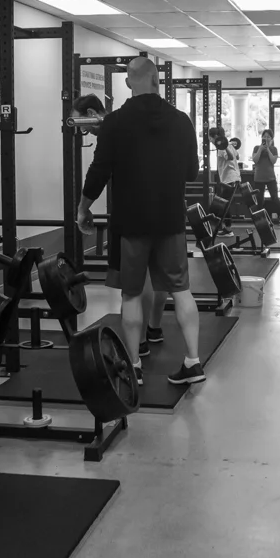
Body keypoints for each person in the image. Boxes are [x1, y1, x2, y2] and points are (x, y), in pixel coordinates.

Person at [77, 58, 203, 386]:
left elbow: (99, 170)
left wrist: (83, 208)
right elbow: (192, 172)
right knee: (181, 290)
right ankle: (193, 362)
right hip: (170, 220)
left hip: (131, 222)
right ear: (157, 80)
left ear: (128, 82)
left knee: (131, 295)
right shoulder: (181, 120)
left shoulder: (115, 122)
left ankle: (133, 366)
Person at [71, 94, 167, 376]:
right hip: (162, 211)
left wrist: (83, 207)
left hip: (132, 214)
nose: (83, 130)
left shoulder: (112, 127)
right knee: (156, 274)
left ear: (92, 113)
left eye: (82, 124)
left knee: (134, 285)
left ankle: (138, 346)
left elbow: (98, 170)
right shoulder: (145, 125)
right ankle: (154, 329)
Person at [252, 129, 280, 225]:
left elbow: (273, 161)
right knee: (259, 199)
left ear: (272, 139)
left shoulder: (274, 149)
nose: (266, 138)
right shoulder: (256, 148)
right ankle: (261, 220)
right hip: (259, 177)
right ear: (261, 138)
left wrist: (268, 149)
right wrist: (261, 149)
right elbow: (255, 160)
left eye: (268, 137)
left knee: (275, 198)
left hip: (270, 177)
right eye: (264, 136)